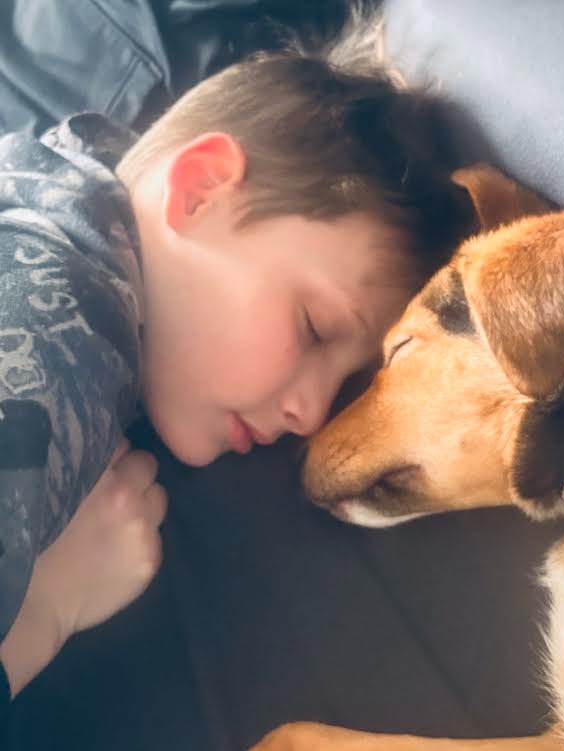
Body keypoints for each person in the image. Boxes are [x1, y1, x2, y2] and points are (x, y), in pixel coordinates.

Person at [0, 37, 472, 708]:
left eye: (343, 382)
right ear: (198, 191)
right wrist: (48, 610)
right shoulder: (60, 329)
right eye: (315, 328)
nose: (312, 415)